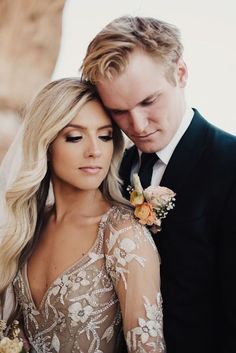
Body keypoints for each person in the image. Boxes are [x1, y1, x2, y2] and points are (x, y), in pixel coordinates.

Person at [81, 16, 236, 353]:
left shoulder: (230, 164)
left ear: (180, 73)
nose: (137, 125)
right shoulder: (104, 170)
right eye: (118, 111)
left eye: (148, 102)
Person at [0, 78, 166, 352]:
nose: (95, 151)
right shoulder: (28, 225)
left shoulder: (122, 235)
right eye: (75, 137)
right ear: (46, 144)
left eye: (104, 136)